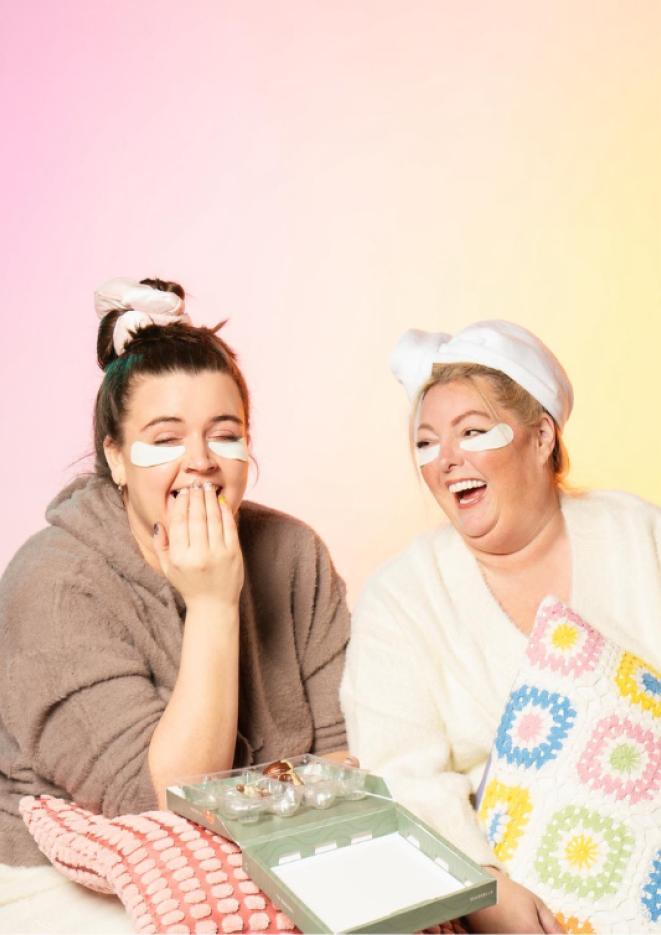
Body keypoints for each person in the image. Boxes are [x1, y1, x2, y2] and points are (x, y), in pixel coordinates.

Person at [0, 277, 350, 866]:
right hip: (72, 880)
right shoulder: (53, 586)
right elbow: (168, 805)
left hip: (272, 856)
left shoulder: (294, 553)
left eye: (225, 434)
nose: (201, 462)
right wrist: (214, 604)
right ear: (115, 455)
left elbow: (345, 762)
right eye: (165, 438)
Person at [340, 320, 660, 934]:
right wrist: (482, 887)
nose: (446, 459)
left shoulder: (638, 534)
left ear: (541, 437)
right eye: (427, 443)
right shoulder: (401, 598)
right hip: (515, 898)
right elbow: (401, 777)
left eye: (472, 432)